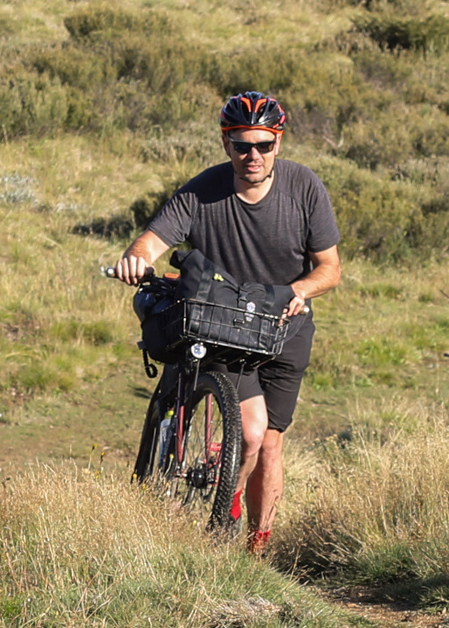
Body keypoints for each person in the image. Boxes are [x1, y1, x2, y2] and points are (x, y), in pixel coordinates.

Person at [113, 91, 341, 555]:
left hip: (285, 326)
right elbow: (151, 241)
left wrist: (299, 292)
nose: (252, 155)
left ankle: (257, 548)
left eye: (263, 144)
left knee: (270, 444)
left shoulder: (305, 187)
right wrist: (135, 259)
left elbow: (329, 269)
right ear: (226, 143)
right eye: (241, 145)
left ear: (279, 142)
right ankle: (224, 515)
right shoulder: (202, 192)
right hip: (225, 325)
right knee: (252, 432)